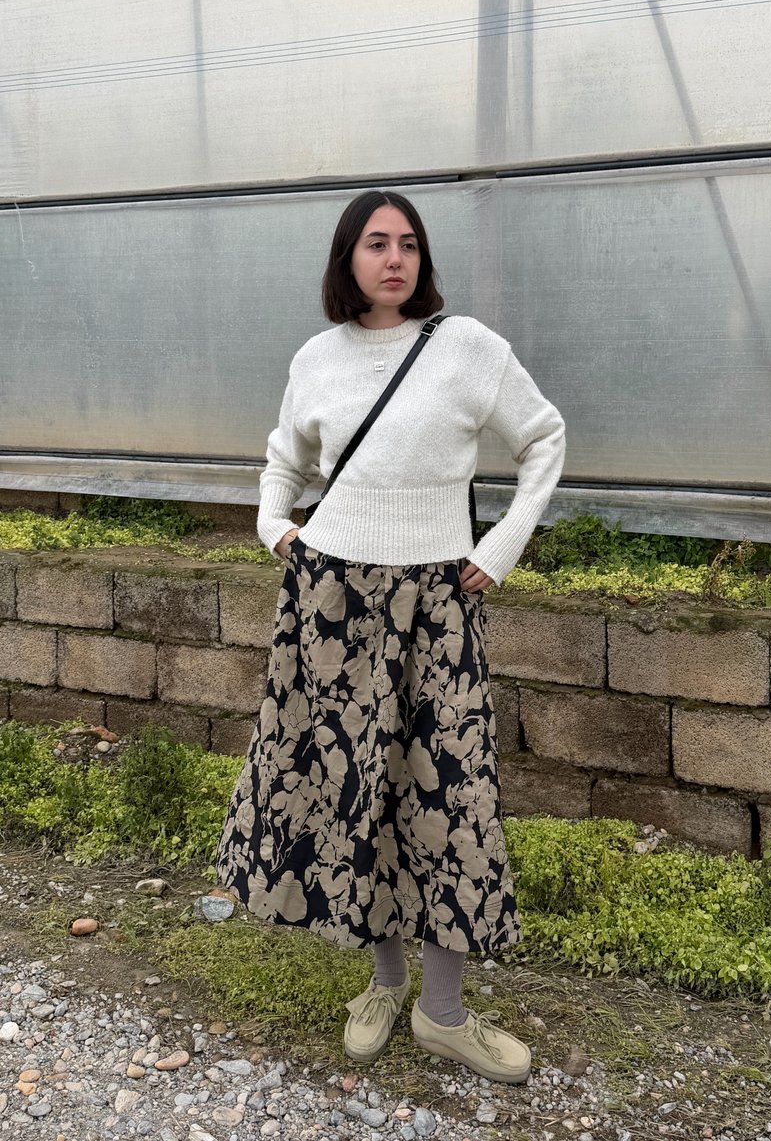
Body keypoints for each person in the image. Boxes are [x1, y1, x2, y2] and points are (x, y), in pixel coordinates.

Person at [215, 189, 566, 1085]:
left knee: (449, 802)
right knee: (355, 792)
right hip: (332, 606)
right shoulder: (317, 358)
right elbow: (282, 459)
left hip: (439, 605)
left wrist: (501, 545)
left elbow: (543, 436)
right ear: (348, 258)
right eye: (376, 243)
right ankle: (383, 981)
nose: (395, 259)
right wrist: (274, 527)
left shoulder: (467, 347)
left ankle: (444, 1014)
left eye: (409, 244)